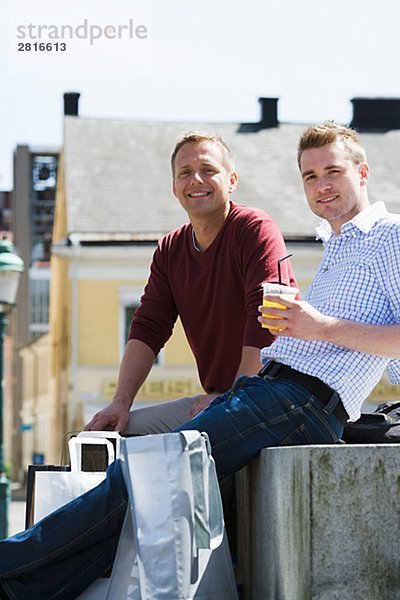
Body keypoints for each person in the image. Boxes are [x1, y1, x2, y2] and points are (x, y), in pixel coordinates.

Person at [1, 122, 400, 599]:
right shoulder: (337, 245)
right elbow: (149, 326)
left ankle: (11, 562)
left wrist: (317, 328)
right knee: (144, 485)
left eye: (333, 171)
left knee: (144, 476)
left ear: (364, 172)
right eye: (310, 177)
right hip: (270, 392)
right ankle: (23, 587)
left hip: (298, 401)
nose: (322, 185)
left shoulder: (389, 235)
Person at [85, 131, 296, 433]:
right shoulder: (170, 249)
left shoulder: (255, 229)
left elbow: (267, 319)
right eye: (185, 173)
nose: (196, 179)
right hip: (218, 399)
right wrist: (121, 401)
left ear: (232, 181)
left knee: (184, 448)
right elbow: (149, 326)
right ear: (174, 187)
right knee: (111, 434)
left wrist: (233, 397)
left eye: (208, 170)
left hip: (273, 395)